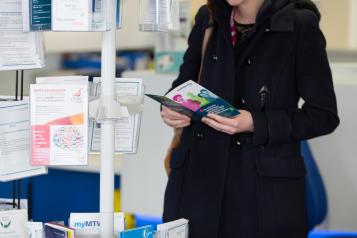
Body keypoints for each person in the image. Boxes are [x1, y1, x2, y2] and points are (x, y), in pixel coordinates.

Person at [160, 0, 339, 237]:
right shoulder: (208, 17)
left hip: (262, 197)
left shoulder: (299, 25)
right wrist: (172, 108)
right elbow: (182, 89)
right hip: (197, 187)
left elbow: (323, 115)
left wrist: (255, 122)